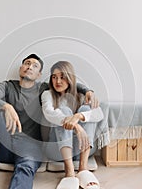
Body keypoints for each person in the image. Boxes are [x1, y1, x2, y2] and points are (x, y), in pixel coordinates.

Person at [0, 54, 98, 189]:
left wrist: (88, 91)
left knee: (25, 168)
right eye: (27, 63)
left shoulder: (44, 89)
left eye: (35, 65)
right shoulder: (7, 86)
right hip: (5, 143)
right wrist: (6, 106)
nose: (30, 67)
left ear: (39, 74)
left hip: (30, 146)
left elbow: (68, 83)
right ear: (21, 68)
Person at [41, 61, 103, 189]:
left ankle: (83, 169)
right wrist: (76, 125)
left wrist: (79, 117)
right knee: (64, 111)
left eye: (62, 77)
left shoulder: (82, 95)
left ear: (70, 78)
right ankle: (69, 173)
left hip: (81, 147)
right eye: (54, 77)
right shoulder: (47, 95)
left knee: (85, 109)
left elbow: (99, 114)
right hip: (56, 150)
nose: (58, 81)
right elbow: (49, 114)